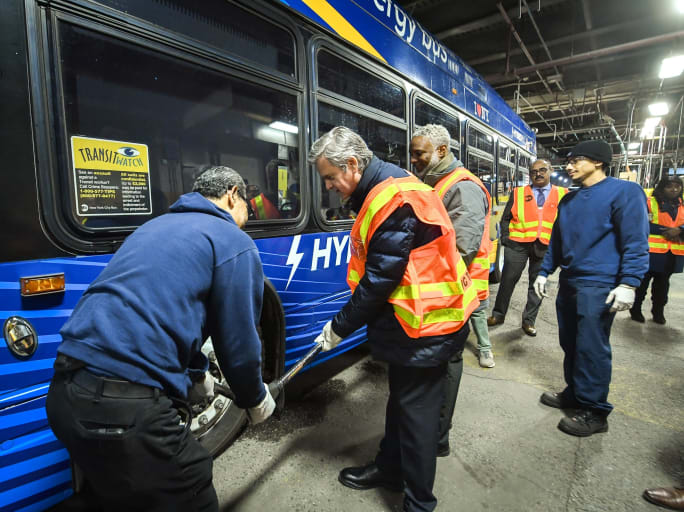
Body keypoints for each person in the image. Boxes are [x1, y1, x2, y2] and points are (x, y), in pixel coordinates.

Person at [46, 166, 275, 511]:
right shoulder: (233, 241)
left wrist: (198, 376)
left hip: (63, 396)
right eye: (248, 205)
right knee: (190, 487)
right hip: (125, 410)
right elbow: (238, 342)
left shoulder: (152, 228)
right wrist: (254, 399)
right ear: (232, 194)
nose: (249, 216)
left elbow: (165, 313)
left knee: (120, 493)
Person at [309, 126, 478, 512]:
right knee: (402, 404)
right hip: (417, 325)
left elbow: (380, 279)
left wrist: (338, 327)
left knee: (416, 418)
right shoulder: (386, 187)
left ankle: (419, 503)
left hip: (428, 326)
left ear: (352, 164)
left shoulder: (393, 198)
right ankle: (390, 468)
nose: (330, 187)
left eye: (330, 178)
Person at [534, 140, 649, 437]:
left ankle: (596, 410)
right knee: (570, 342)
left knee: (591, 347)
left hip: (599, 283)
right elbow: (557, 242)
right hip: (571, 280)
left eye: (576, 161)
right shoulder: (569, 200)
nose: (569, 167)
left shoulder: (624, 192)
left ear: (598, 162)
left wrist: (629, 283)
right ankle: (575, 392)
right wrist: (545, 271)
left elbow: (635, 241)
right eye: (568, 161)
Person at [409, 124, 491, 460]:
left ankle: (438, 437)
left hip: (453, 294)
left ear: (442, 151)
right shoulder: (434, 182)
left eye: (420, 153)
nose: (414, 159)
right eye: (413, 153)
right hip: (436, 292)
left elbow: (462, 248)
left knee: (446, 364)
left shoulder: (462, 187)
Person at [487, 159, 567, 337]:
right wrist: (506, 239)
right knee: (507, 281)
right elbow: (506, 218)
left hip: (545, 246)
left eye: (542, 170)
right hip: (517, 245)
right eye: (533, 171)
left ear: (550, 171)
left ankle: (528, 321)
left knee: (537, 285)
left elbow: (568, 222)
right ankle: (498, 315)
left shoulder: (563, 193)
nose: (538, 174)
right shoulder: (518, 192)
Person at [630, 175, 684, 325]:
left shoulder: (682, 205)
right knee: (641, 285)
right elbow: (638, 223)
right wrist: (667, 231)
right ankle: (635, 309)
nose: (674, 189)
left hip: (672, 255)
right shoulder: (649, 203)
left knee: (662, 286)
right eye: (669, 186)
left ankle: (658, 312)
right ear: (662, 188)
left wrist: (679, 230)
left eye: (677, 186)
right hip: (650, 253)